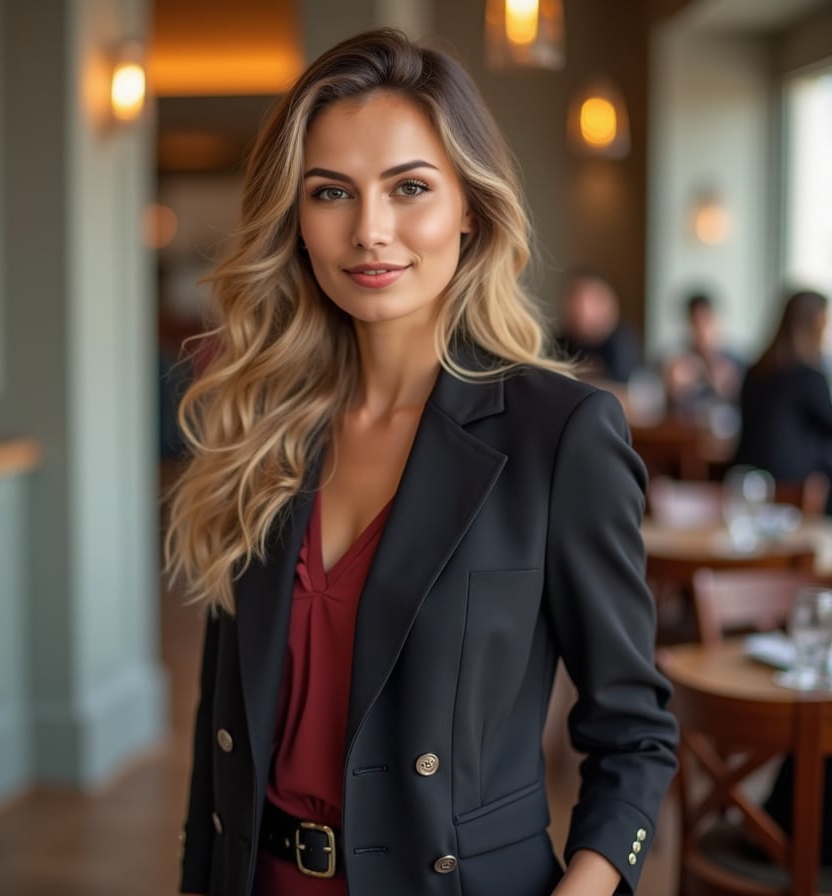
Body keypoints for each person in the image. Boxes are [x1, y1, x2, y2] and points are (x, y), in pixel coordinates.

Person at [167, 29, 677, 896]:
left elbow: (634, 737)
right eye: (331, 192)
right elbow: (221, 740)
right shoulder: (260, 428)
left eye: (410, 187)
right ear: (296, 219)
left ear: (470, 208)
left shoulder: (560, 435)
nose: (370, 231)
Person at [732, 288, 832, 515]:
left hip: (745, 474)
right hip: (791, 481)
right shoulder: (807, 377)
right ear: (814, 325)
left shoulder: (754, 371)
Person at [662, 292, 744, 419]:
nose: (702, 331)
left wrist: (731, 386)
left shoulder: (734, 364)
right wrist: (671, 388)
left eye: (706, 322)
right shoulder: (677, 363)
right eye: (696, 323)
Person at [555, 268, 642, 383]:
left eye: (591, 301)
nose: (582, 309)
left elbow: (626, 390)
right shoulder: (559, 342)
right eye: (576, 299)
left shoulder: (622, 342)